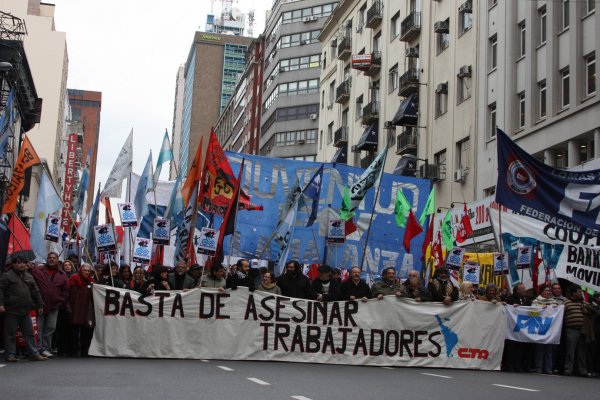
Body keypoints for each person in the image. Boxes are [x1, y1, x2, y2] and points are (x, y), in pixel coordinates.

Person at [0, 255, 47, 361]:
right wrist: (1, 304)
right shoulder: (7, 276)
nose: (22, 265)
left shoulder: (29, 276)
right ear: (14, 264)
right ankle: (10, 354)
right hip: (12, 310)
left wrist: (40, 304)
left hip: (26, 310)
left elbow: (35, 291)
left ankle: (34, 354)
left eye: (24, 263)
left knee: (30, 333)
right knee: (10, 334)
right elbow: (1, 291)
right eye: (19, 263)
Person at [31, 251, 69, 358]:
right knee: (39, 328)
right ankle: (38, 348)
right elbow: (32, 287)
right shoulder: (38, 271)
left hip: (54, 306)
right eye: (50, 257)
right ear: (47, 259)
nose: (51, 259)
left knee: (50, 327)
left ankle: (46, 348)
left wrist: (60, 300)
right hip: (40, 305)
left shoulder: (62, 274)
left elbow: (65, 290)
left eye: (54, 258)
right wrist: (35, 302)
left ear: (57, 260)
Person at [563, 285, 594, 377]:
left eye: (581, 292)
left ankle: (582, 370)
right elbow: (561, 314)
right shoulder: (566, 303)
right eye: (579, 292)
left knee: (582, 351)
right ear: (573, 293)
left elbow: (593, 312)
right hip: (571, 329)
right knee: (570, 351)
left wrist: (587, 311)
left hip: (583, 330)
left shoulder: (584, 303)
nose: (581, 293)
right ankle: (568, 369)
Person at [67, 263, 95, 357]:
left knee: (86, 331)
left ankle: (84, 350)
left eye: (88, 271)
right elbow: (67, 293)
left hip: (86, 309)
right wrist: (67, 306)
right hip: (74, 308)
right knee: (73, 330)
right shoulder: (73, 279)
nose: (86, 272)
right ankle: (73, 350)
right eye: (84, 270)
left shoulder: (91, 282)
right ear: (80, 270)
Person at [503, 283, 532, 372]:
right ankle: (509, 365)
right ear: (517, 290)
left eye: (524, 288)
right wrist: (512, 306)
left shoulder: (527, 300)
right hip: (512, 327)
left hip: (522, 328)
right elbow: (506, 308)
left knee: (521, 347)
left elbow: (530, 310)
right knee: (511, 347)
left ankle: (519, 365)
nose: (524, 290)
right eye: (522, 288)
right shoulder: (510, 299)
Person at [532, 284, 559, 374]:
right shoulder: (536, 301)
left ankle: (548, 368)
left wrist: (556, 308)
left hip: (550, 327)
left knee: (549, 349)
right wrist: (539, 309)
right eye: (546, 290)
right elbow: (532, 313)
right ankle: (539, 367)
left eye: (549, 291)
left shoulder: (553, 302)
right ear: (541, 292)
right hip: (539, 327)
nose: (547, 292)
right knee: (540, 348)